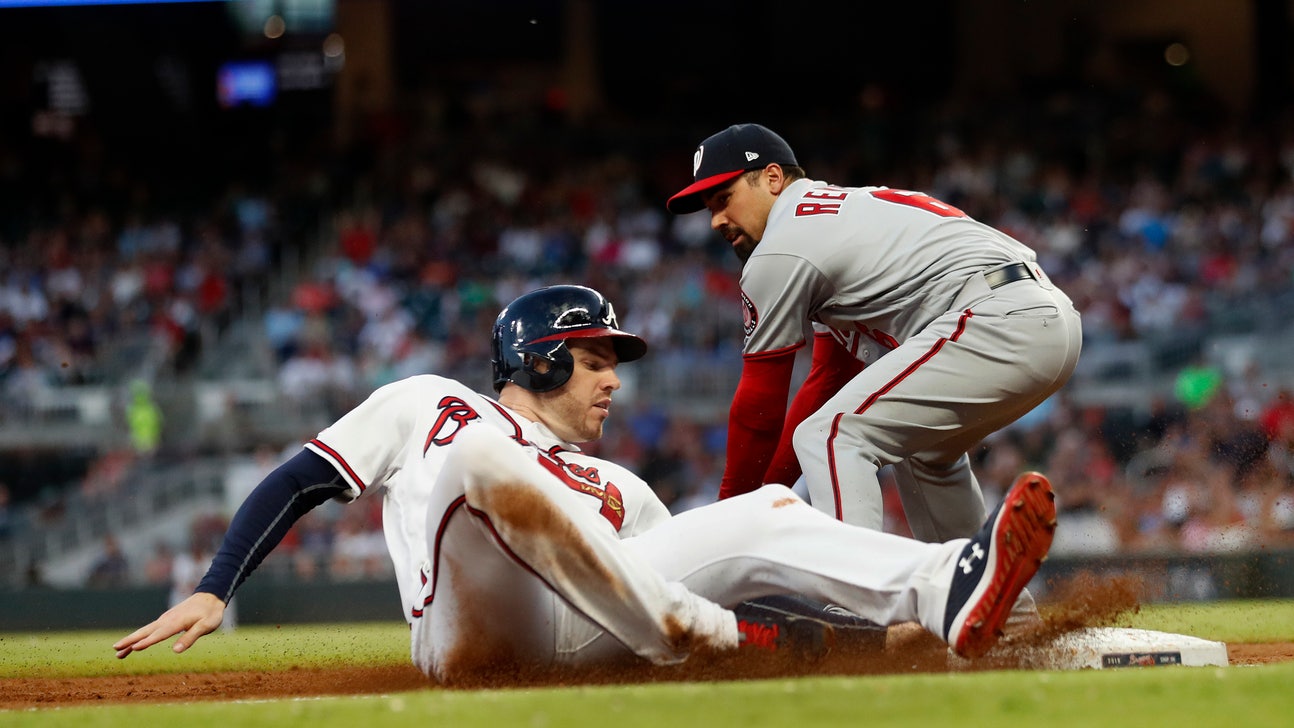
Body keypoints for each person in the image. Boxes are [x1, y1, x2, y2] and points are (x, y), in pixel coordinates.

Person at [113, 285, 1057, 683]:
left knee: (765, 511)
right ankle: (708, 640)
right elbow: (302, 478)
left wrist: (868, 641)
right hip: (470, 636)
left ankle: (945, 587)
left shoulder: (615, 484)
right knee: (484, 463)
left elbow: (741, 562)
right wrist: (214, 585)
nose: (614, 379)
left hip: (596, 632)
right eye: (596, 358)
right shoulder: (433, 403)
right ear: (540, 358)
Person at [664, 123, 1081, 555]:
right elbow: (829, 380)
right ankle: (988, 604)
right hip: (1038, 315)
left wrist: (730, 520)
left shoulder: (781, 249)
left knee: (830, 437)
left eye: (723, 198)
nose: (715, 220)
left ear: (772, 178)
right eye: (709, 207)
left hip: (996, 319)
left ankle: (856, 603)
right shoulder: (833, 221)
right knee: (923, 456)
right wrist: (756, 506)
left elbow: (759, 407)